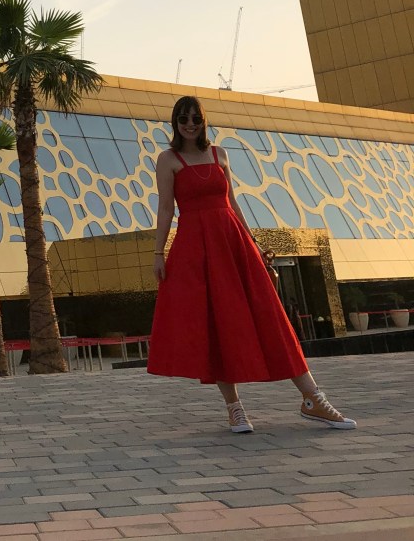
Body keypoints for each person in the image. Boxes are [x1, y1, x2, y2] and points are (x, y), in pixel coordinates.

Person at [147, 95, 355, 432]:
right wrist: (159, 253)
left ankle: (312, 398)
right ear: (175, 122)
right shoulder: (167, 159)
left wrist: (253, 244)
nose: (190, 124)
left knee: (269, 315)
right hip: (196, 249)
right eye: (183, 119)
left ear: (203, 121)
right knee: (216, 324)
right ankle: (235, 408)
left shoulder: (220, 154)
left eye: (195, 118)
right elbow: (166, 209)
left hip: (233, 242)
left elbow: (232, 202)